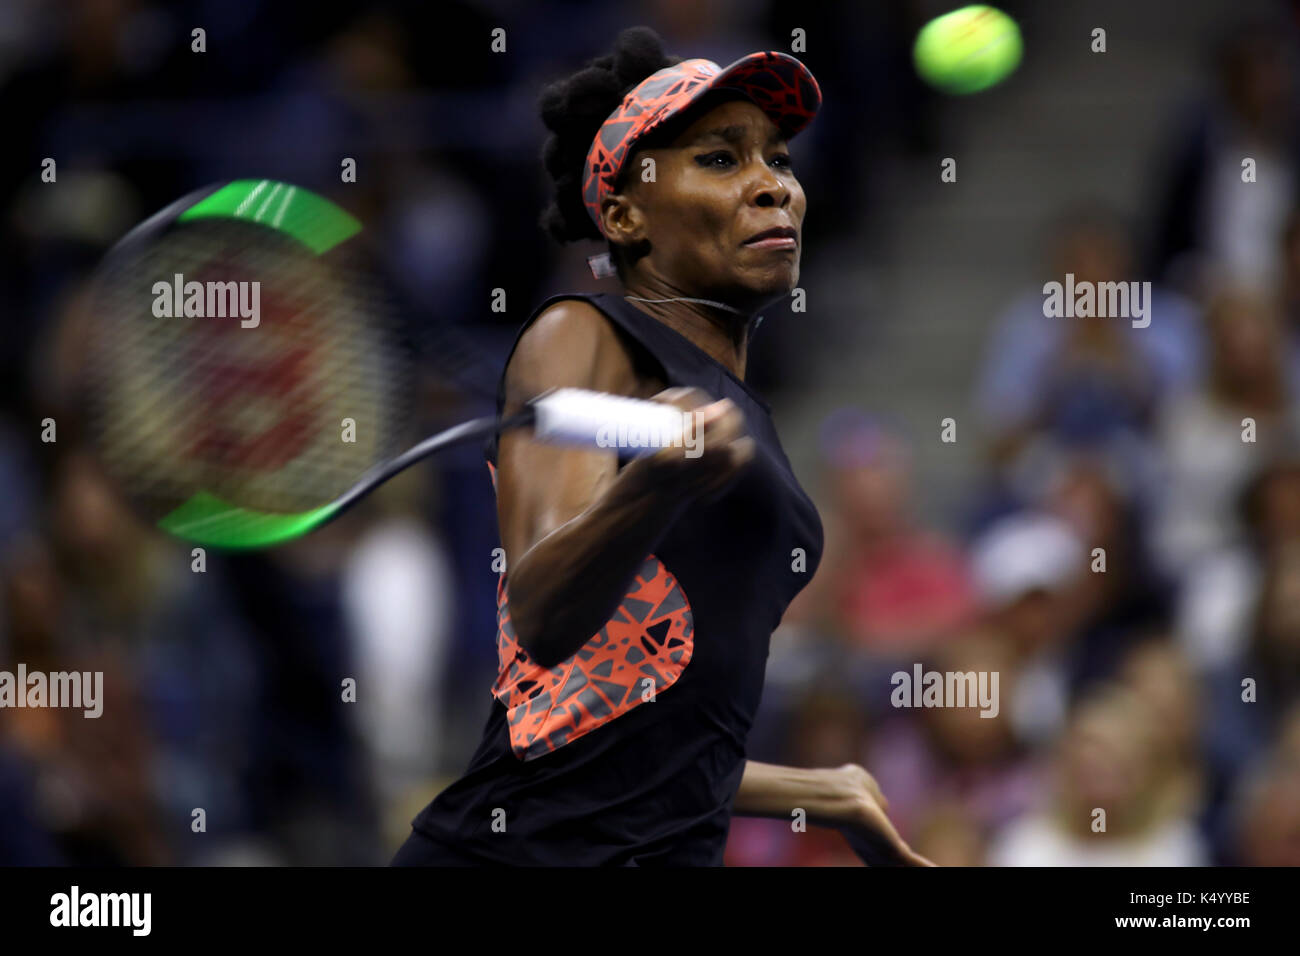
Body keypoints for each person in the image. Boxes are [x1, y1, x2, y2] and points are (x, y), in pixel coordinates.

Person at [391, 27, 928, 866]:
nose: (772, 188)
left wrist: (825, 790)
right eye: (720, 159)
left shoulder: (739, 416)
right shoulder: (581, 336)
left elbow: (643, 731)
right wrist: (654, 488)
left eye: (779, 161)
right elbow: (540, 617)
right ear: (624, 213)